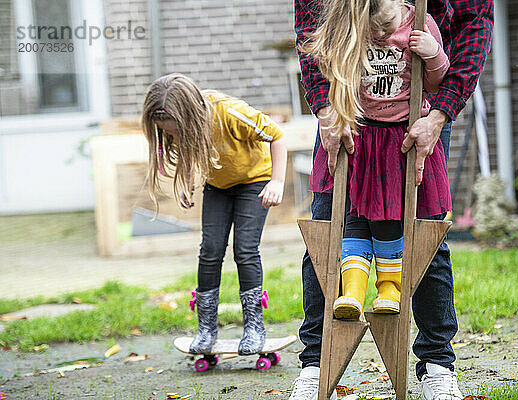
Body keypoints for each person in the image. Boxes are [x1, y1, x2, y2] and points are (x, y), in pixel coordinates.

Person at [292, 0, 493, 399]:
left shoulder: (423, 22)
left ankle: (437, 365)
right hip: (349, 118)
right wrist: (327, 113)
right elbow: (311, 40)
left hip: (412, 123)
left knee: (424, 236)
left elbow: (474, 25)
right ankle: (316, 367)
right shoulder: (335, 15)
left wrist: (439, 114)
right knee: (328, 231)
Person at [305, 0, 450, 320]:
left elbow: (436, 83)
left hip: (399, 139)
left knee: (390, 219)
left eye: (387, 26)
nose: (382, 34)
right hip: (361, 137)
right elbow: (325, 69)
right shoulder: (350, 24)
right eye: (375, 30)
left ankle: (389, 288)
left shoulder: (419, 23)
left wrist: (433, 54)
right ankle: (352, 291)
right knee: (353, 217)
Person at [141, 73, 287, 356]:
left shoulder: (230, 113)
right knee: (210, 250)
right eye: (168, 133)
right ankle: (206, 329)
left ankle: (254, 327)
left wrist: (277, 182)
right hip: (218, 186)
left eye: (174, 130)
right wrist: (185, 182)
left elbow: (277, 137)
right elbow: (187, 147)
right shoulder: (183, 124)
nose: (172, 136)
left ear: (190, 116)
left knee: (245, 250)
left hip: (255, 181)